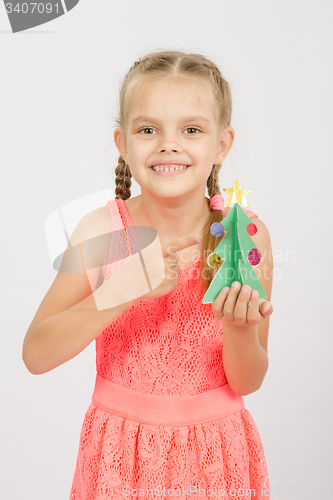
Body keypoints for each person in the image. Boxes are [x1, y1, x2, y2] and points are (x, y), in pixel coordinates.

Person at [22, 50, 274, 500]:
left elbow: (248, 382)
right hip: (120, 457)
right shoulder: (103, 232)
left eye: (191, 130)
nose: (168, 144)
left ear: (221, 143)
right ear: (123, 143)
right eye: (147, 130)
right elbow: (36, 355)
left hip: (214, 458)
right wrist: (123, 290)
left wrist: (239, 331)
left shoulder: (244, 236)